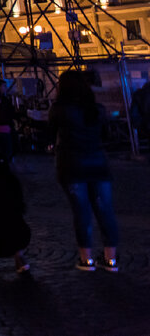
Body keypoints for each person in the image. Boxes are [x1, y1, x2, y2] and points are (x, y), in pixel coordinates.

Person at [49, 70, 120, 272]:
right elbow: (105, 136)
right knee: (105, 211)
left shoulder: (59, 109)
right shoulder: (97, 109)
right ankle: (111, 259)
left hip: (72, 166)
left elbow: (50, 135)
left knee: (82, 213)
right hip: (98, 165)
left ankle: (86, 260)